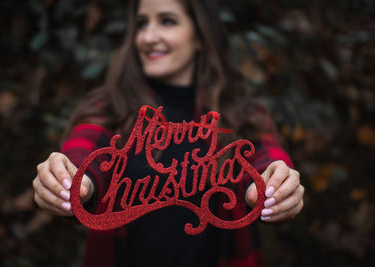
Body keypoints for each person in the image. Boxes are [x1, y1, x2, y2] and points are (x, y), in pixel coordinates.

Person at [33, 0, 304, 266]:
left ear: (200, 35)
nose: (148, 37)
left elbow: (265, 161)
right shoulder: (111, 108)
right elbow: (82, 152)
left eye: (167, 21)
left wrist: (276, 185)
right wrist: (70, 180)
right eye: (141, 23)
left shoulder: (243, 115)